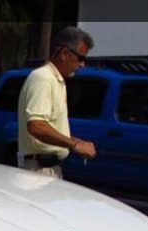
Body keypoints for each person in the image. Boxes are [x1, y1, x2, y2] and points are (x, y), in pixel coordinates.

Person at [17, 26, 97, 178]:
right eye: (81, 58)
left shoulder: (57, 80)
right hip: (39, 170)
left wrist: (76, 141)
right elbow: (36, 126)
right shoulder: (43, 78)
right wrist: (75, 145)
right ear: (65, 54)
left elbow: (49, 126)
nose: (82, 64)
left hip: (49, 168)